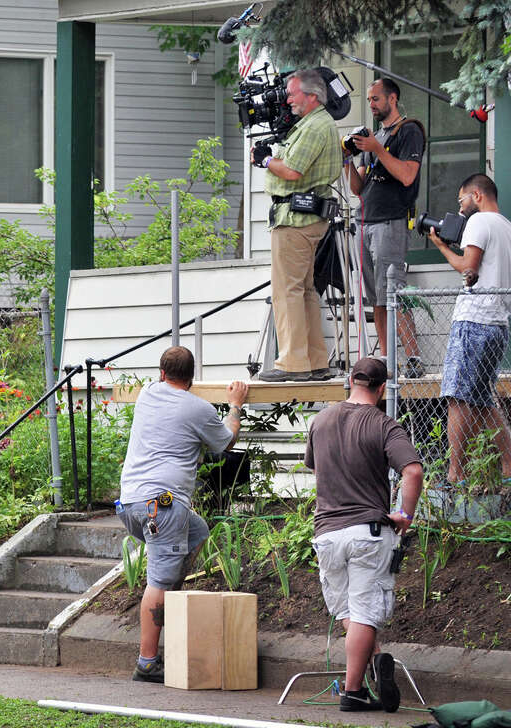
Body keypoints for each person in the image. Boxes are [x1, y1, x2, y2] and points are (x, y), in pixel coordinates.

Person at [117, 346, 249, 683]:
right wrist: (235, 405)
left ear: (161, 373)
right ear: (191, 377)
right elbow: (225, 441)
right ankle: (147, 662)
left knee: (197, 532)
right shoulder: (197, 408)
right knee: (158, 580)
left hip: (132, 504)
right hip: (162, 506)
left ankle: (170, 605)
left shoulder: (147, 393)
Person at [305, 357, 422, 712]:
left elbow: (315, 466)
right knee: (365, 614)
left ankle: (374, 659)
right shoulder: (385, 425)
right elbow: (413, 472)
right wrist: (404, 514)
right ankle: (353, 692)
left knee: (349, 612)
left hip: (326, 533)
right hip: (367, 534)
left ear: (349, 381)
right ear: (382, 388)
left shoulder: (320, 421)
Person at [251, 69, 341, 382]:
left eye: (292, 94)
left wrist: (265, 161)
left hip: (295, 219)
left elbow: (292, 170)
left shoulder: (315, 125)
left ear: (312, 95)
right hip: (308, 218)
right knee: (304, 291)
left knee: (286, 291)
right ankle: (315, 360)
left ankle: (291, 362)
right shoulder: (318, 123)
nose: (288, 100)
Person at [427, 173, 511, 482]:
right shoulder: (507, 227)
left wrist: (439, 245)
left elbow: (468, 267)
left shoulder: (479, 222)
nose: (460, 209)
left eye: (461, 200)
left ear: (476, 195)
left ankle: (454, 475)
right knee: (484, 401)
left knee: (457, 398)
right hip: (498, 324)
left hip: (473, 320)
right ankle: (508, 468)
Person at [344, 79, 424, 372]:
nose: (372, 105)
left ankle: (414, 358)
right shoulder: (372, 138)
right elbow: (357, 187)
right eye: (369, 100)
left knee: (394, 293)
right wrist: (347, 161)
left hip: (391, 220)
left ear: (392, 98)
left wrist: (378, 148)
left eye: (376, 99)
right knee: (376, 297)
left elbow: (406, 175)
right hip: (365, 221)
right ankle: (389, 361)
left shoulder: (409, 130)